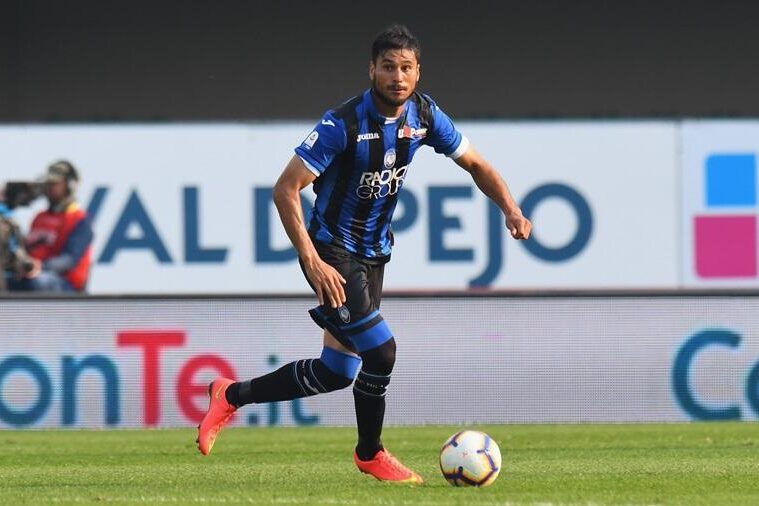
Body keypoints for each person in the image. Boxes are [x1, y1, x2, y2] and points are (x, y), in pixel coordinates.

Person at [196, 24, 532, 483]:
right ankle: (370, 453)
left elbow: (476, 164)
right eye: (388, 67)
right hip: (332, 252)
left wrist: (511, 208)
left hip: (374, 255)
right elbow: (285, 188)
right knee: (382, 352)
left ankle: (230, 395)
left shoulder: (425, 115)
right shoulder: (343, 124)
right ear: (372, 70)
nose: (398, 76)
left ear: (418, 72)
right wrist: (312, 260)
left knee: (337, 370)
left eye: (406, 68)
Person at [7, 161, 94, 293]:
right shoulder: (39, 217)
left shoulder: (80, 219)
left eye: (55, 184)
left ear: (70, 185)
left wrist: (40, 266)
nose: (50, 188)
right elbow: (27, 250)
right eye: (48, 184)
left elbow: (69, 260)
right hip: (32, 274)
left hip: (64, 283)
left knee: (37, 282)